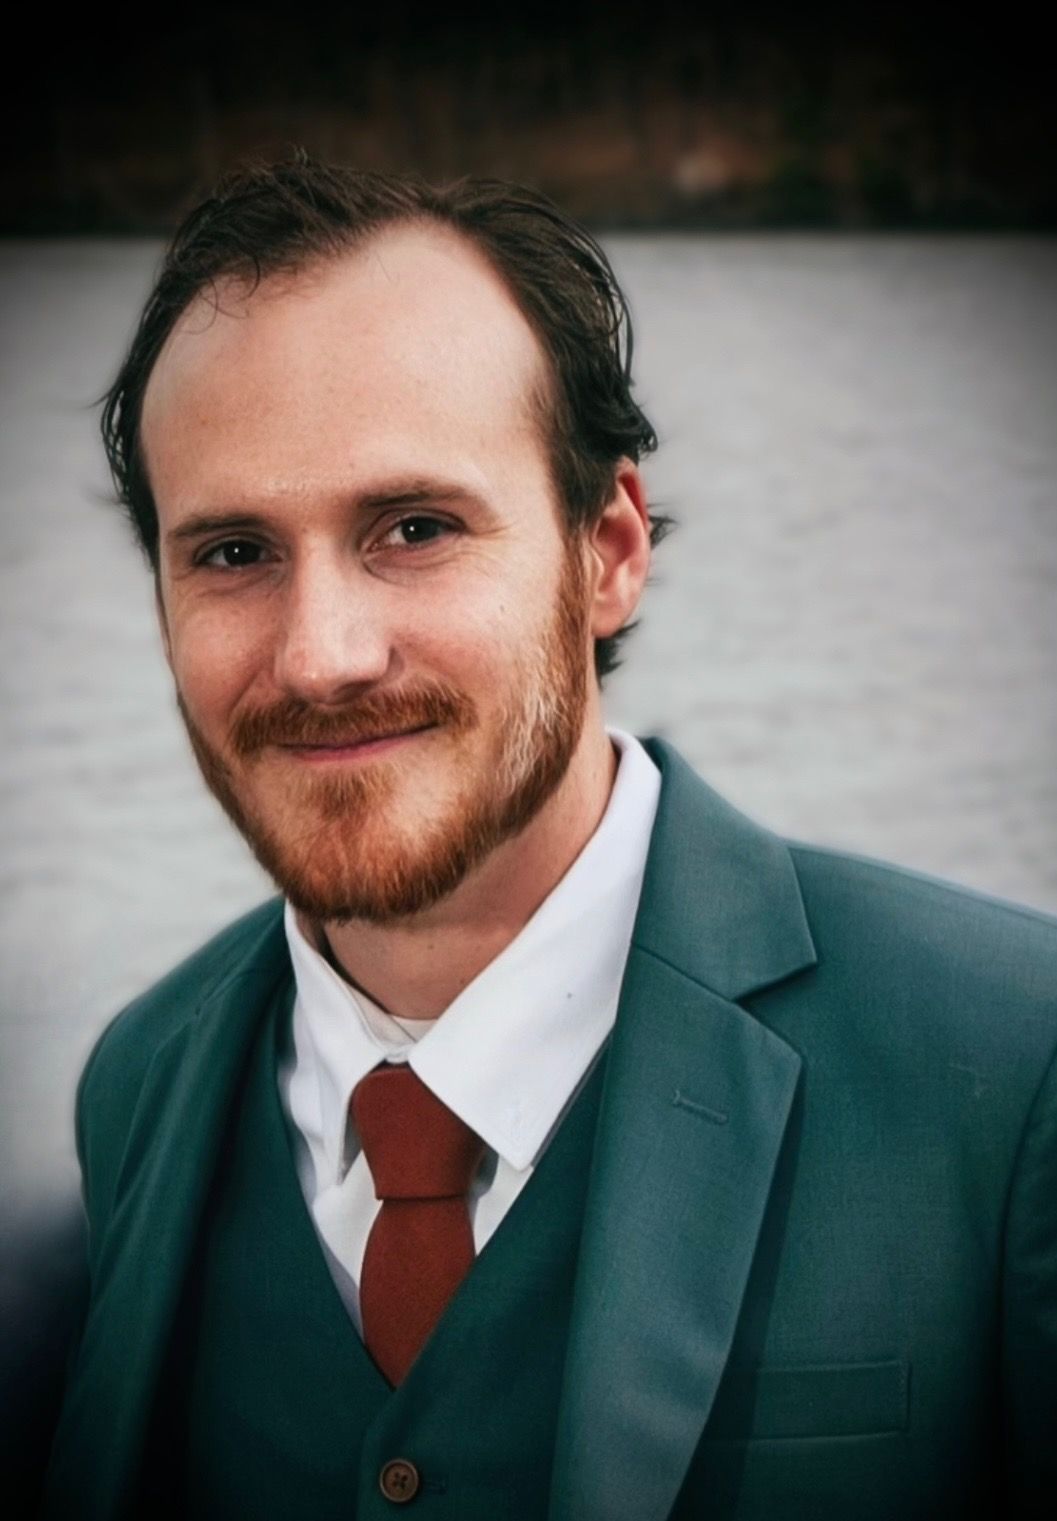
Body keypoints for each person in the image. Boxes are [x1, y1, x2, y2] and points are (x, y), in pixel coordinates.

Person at [41, 158, 1055, 1521]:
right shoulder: (141, 1081)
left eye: (413, 527)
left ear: (608, 550)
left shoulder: (1009, 1064)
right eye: (231, 552)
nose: (320, 653)